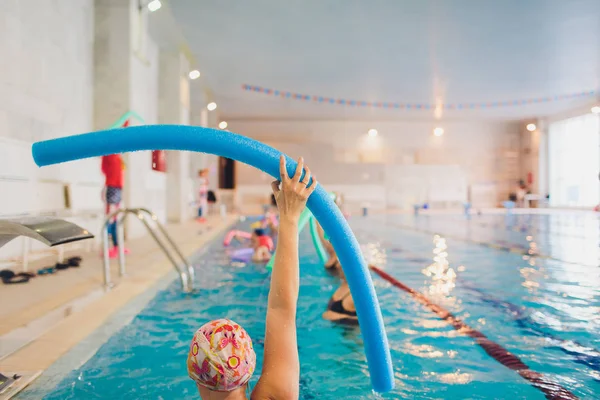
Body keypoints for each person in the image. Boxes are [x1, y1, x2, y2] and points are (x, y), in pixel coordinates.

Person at [187, 156, 317, 399]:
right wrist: (289, 217)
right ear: (249, 368)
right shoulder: (275, 394)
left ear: (194, 374)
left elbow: (282, 308)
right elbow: (282, 307)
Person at [101, 153, 127, 258]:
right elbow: (104, 169)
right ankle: (106, 248)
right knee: (110, 219)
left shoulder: (118, 156)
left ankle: (117, 246)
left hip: (118, 188)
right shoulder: (108, 154)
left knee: (116, 218)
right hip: (112, 187)